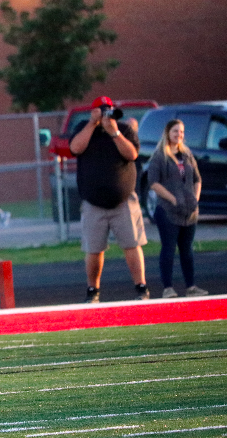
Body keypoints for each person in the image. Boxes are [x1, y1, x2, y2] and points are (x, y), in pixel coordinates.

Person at [69, 95, 149, 303]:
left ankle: (141, 287)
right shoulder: (83, 128)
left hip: (123, 200)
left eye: (109, 109)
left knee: (132, 244)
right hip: (93, 202)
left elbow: (132, 154)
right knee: (94, 250)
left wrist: (114, 131)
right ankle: (93, 290)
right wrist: (92, 123)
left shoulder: (123, 129)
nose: (106, 113)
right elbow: (75, 148)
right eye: (102, 110)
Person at [147, 119, 208, 298]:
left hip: (189, 211)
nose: (179, 135)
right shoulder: (160, 156)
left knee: (187, 249)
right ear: (167, 133)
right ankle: (168, 288)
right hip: (168, 210)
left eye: (181, 132)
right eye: (175, 131)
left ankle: (191, 286)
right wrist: (172, 198)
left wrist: (195, 199)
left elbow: (197, 179)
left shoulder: (187, 155)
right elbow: (153, 182)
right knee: (168, 248)